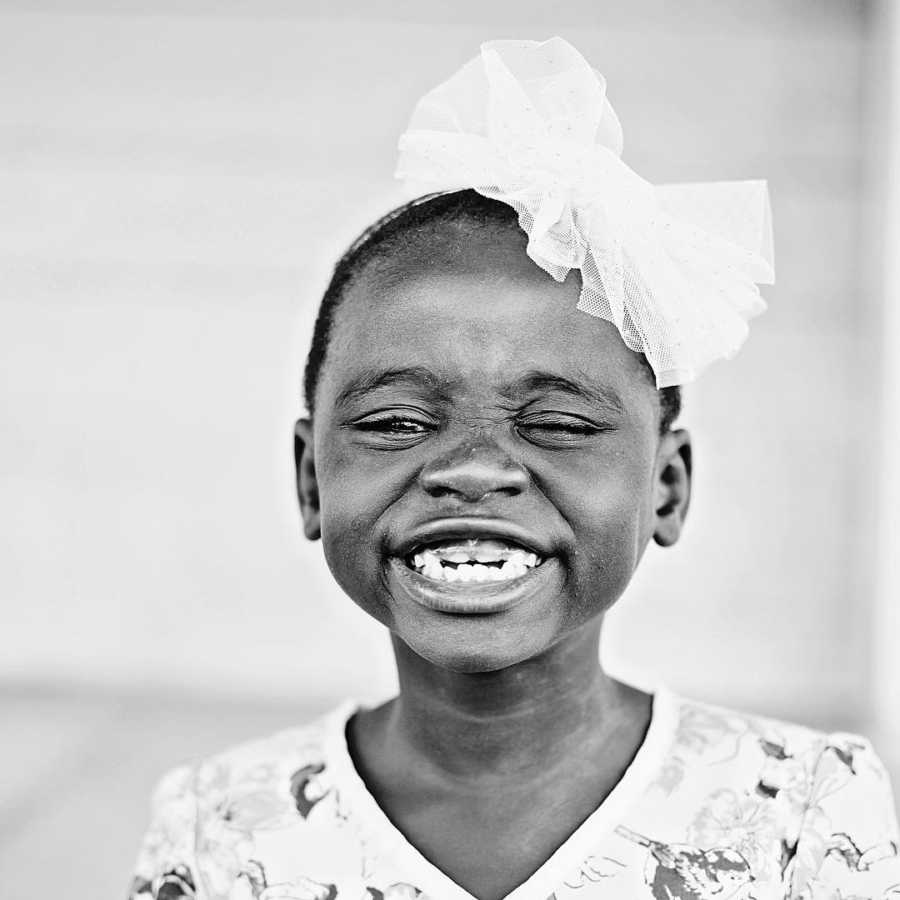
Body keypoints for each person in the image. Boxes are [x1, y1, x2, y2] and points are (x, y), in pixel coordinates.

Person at [128, 38, 900, 900]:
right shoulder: (221, 823)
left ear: (668, 487)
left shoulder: (801, 810)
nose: (474, 470)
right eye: (396, 421)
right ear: (311, 478)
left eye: (559, 423)